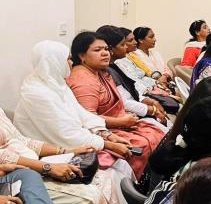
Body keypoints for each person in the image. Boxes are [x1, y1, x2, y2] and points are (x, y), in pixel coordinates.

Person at [15, 41, 136, 175]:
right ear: (54, 62)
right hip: (51, 150)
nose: (72, 63)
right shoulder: (36, 93)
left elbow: (81, 114)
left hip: (74, 141)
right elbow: (66, 133)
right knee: (116, 170)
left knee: (122, 163)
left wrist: (108, 135)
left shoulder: (57, 84)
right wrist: (108, 144)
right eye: (67, 59)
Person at [66, 32, 165, 179]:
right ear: (82, 56)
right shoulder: (83, 79)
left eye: (106, 49)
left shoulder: (100, 72)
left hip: (117, 123)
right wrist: (121, 121)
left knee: (157, 134)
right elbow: (87, 120)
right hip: (102, 130)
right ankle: (140, 187)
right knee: (143, 143)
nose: (105, 53)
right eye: (97, 50)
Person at [0, 111, 121, 204]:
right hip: (18, 174)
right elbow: (4, 156)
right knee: (89, 200)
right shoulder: (34, 93)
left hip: (32, 167)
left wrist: (66, 151)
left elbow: (24, 141)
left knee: (104, 180)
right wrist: (47, 167)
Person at [95, 26, 168, 126]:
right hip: (125, 114)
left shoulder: (112, 66)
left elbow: (128, 92)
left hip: (137, 101)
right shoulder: (106, 70)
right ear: (111, 48)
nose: (126, 47)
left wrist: (148, 101)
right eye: (122, 44)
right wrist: (152, 109)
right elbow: (123, 101)